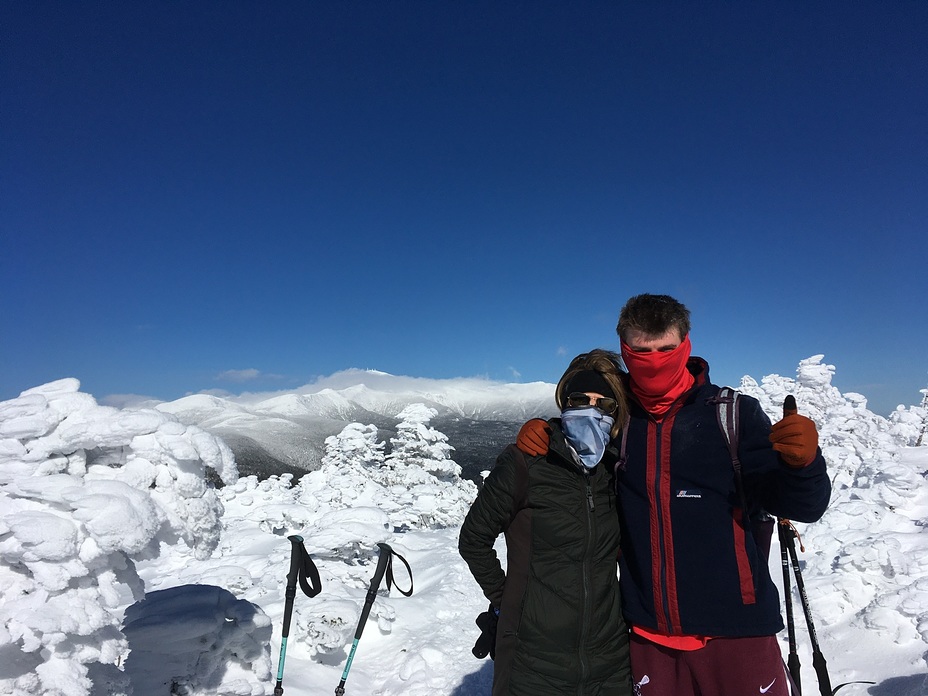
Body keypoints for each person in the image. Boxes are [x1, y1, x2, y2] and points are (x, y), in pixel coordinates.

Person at [517, 294, 831, 696]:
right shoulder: (617, 422)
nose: (654, 360)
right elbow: (580, 463)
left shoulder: (732, 414)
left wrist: (803, 465)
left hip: (737, 632)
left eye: (665, 349)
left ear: (686, 346)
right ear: (625, 352)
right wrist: (547, 437)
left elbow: (803, 506)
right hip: (649, 635)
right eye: (640, 351)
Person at [458, 350, 633, 696]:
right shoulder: (526, 463)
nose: (591, 410)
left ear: (616, 413)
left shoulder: (617, 470)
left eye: (604, 404)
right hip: (534, 659)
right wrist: (508, 601)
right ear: (564, 403)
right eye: (580, 399)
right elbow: (474, 539)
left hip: (609, 658)